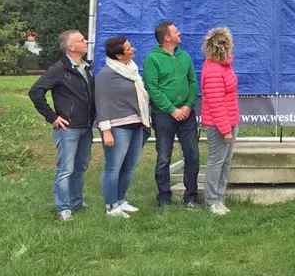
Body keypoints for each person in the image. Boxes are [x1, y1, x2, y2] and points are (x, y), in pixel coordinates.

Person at [28, 30, 95, 221]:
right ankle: (63, 208)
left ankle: (76, 202)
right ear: (71, 47)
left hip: (86, 126)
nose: (86, 41)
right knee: (66, 169)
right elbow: (35, 92)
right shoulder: (58, 69)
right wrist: (52, 117)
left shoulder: (87, 67)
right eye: (81, 40)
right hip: (68, 128)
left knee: (81, 167)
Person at [143, 21, 200, 209]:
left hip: (187, 114)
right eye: (176, 31)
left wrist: (188, 106)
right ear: (167, 37)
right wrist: (172, 109)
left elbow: (193, 82)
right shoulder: (153, 59)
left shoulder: (185, 56)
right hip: (163, 116)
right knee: (164, 158)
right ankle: (164, 199)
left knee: (192, 155)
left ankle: (191, 198)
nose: (179, 33)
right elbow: (152, 88)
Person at [95, 36, 151, 218]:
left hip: (136, 124)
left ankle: (120, 200)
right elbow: (101, 102)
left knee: (129, 166)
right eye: (128, 49)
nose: (133, 49)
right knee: (113, 168)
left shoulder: (131, 70)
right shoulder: (106, 75)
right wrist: (106, 131)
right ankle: (111, 207)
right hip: (117, 127)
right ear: (119, 55)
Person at [200, 27, 241, 215]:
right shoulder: (213, 70)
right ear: (223, 47)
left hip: (230, 121)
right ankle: (211, 201)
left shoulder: (223, 66)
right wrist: (225, 129)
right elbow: (215, 103)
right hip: (218, 124)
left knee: (225, 161)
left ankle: (219, 198)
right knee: (216, 162)